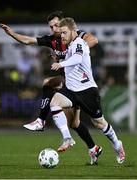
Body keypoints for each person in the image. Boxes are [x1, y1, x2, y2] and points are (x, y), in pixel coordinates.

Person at [0, 11, 102, 165]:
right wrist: (11, 33)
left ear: (63, 25)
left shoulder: (76, 36)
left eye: (56, 25)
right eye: (51, 26)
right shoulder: (52, 40)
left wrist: (73, 52)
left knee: (48, 82)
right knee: (74, 123)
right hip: (68, 85)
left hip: (80, 84)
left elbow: (94, 40)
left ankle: (41, 120)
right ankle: (93, 148)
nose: (54, 29)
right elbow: (28, 40)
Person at [51, 17, 125, 164]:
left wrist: (61, 64)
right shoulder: (70, 45)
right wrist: (60, 58)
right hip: (71, 90)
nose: (62, 36)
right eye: (61, 33)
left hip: (87, 91)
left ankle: (117, 144)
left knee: (99, 123)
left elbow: (77, 59)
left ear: (73, 31)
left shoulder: (79, 42)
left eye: (64, 32)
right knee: (54, 103)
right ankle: (67, 137)